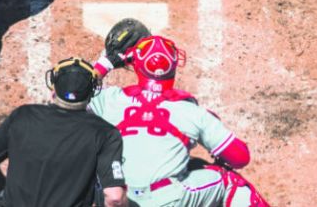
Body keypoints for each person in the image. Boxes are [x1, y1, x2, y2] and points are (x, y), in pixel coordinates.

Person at [88, 19, 271, 207]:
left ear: (136, 65)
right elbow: (240, 158)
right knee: (228, 181)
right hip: (168, 199)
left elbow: (66, 93)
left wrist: (105, 63)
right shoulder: (192, 112)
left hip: (115, 198)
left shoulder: (111, 99)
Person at [0, 57, 129, 207]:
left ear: (54, 88)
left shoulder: (23, 116)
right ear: (91, 93)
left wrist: (3, 187)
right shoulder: (105, 134)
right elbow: (114, 198)